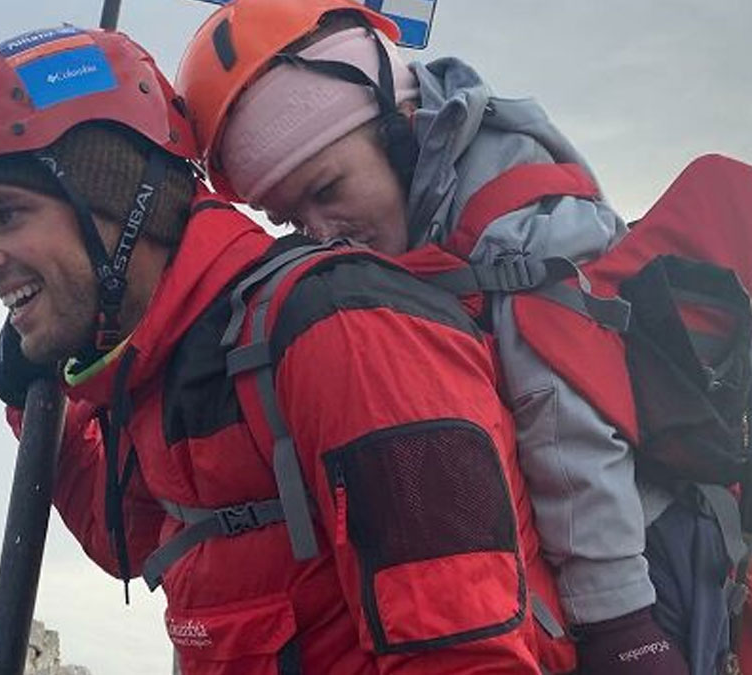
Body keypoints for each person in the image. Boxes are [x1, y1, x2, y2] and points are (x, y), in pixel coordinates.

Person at [0, 25, 572, 674]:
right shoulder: (170, 358)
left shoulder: (342, 332)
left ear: (115, 200)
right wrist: (37, 402)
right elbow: (134, 541)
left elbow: (463, 658)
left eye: (5, 215)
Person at [175, 1, 697, 673]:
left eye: (328, 188)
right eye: (290, 219)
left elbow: (566, 420)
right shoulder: (411, 235)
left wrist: (621, 621)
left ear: (395, 130)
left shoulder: (515, 228)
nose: (322, 232)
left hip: (634, 569)